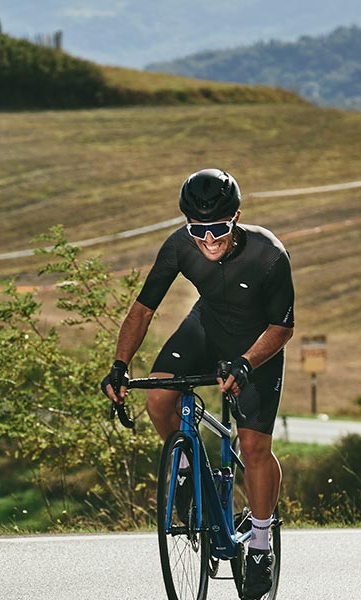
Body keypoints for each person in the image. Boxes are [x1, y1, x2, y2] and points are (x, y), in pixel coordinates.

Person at [102, 168, 294, 599]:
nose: (208, 240)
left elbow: (282, 328)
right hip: (207, 329)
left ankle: (260, 543)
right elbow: (143, 309)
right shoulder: (178, 246)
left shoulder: (268, 254)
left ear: (236, 218)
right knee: (158, 398)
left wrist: (245, 364)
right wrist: (119, 364)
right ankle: (189, 474)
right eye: (198, 229)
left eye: (219, 229)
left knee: (254, 447)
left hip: (258, 345)